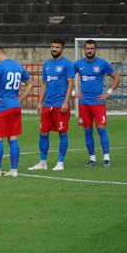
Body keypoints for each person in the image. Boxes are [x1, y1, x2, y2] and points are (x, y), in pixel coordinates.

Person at [0, 47, 33, 178]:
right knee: (13, 137)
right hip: (15, 105)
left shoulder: (0, 66)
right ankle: (14, 170)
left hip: (3, 105)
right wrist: (20, 98)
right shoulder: (18, 66)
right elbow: (30, 83)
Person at [28, 38, 75, 171]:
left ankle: (60, 162)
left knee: (62, 133)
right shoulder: (47, 64)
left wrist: (66, 102)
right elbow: (44, 84)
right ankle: (43, 163)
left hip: (60, 104)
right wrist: (39, 102)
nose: (54, 49)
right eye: (53, 46)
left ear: (62, 48)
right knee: (43, 132)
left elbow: (71, 83)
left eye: (57, 47)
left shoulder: (67, 64)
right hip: (47, 105)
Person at [74, 39, 120, 167]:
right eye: (87, 48)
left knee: (101, 129)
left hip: (98, 103)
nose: (89, 51)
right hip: (84, 104)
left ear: (95, 49)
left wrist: (108, 93)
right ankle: (92, 158)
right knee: (87, 131)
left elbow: (117, 77)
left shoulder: (103, 63)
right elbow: (67, 78)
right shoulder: (78, 64)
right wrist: (73, 93)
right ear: (84, 50)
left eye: (91, 48)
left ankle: (106, 158)